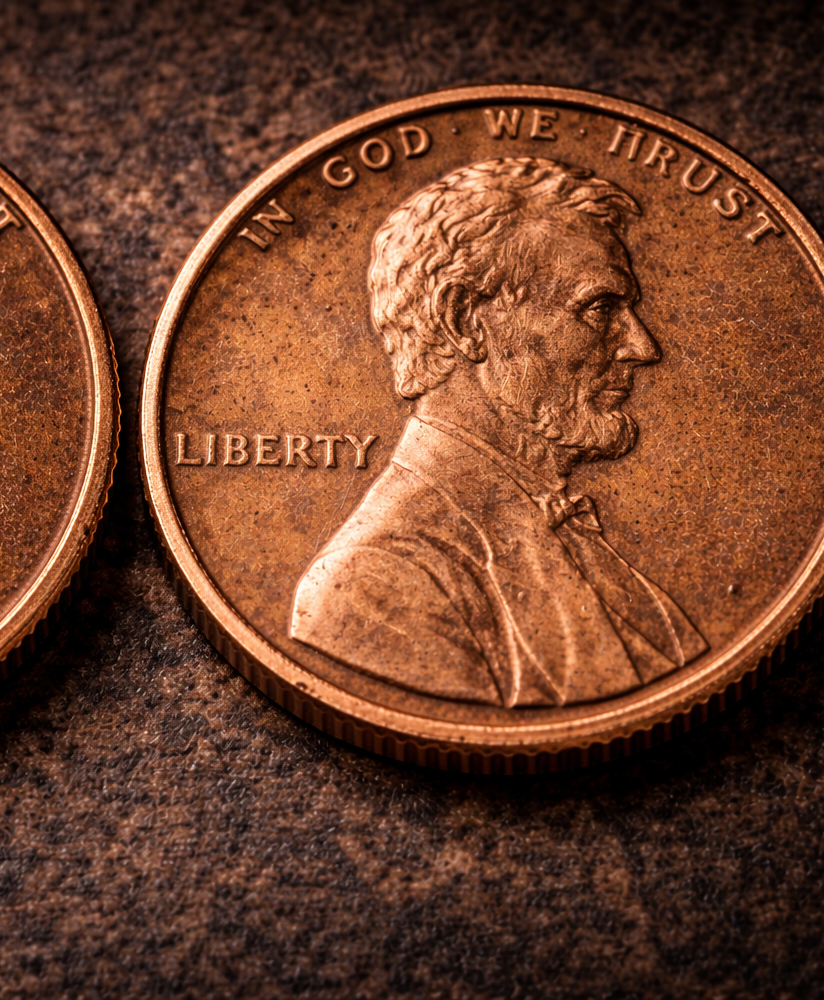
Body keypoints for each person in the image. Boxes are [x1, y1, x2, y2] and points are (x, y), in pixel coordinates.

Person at [290, 157, 706, 708]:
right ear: (465, 321)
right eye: (599, 308)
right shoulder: (374, 581)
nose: (642, 346)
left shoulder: (556, 520)